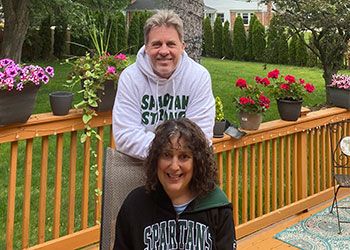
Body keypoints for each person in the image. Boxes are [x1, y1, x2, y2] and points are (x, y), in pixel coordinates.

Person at [114, 118, 237, 249]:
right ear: (156, 159)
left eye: (184, 156)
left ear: (197, 162)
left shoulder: (217, 207)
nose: (174, 166)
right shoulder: (135, 205)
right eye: (166, 155)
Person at [112, 10, 215, 160]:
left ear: (182, 46)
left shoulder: (198, 77)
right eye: (156, 44)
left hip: (185, 171)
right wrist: (171, 152)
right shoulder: (131, 78)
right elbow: (125, 135)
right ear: (146, 48)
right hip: (141, 167)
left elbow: (201, 134)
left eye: (171, 44)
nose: (164, 51)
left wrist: (168, 154)